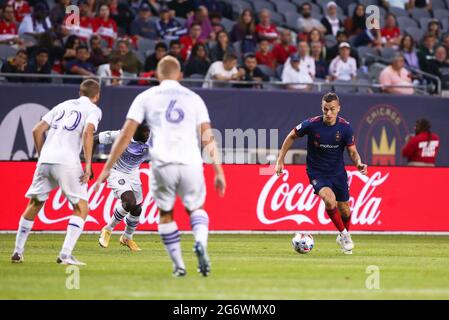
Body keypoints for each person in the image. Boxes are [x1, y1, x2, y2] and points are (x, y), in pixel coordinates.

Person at [94, 56, 226, 277]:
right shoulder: (194, 98)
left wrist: (105, 167)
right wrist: (218, 170)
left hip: (162, 164)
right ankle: (200, 242)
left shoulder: (145, 96)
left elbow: (126, 133)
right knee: (195, 209)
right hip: (191, 161)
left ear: (157, 75)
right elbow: (207, 135)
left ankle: (178, 265)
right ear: (180, 75)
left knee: (165, 214)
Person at [11, 79, 102, 265]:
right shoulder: (93, 109)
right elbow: (87, 133)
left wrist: (41, 154)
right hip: (67, 161)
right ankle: (65, 255)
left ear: (80, 92)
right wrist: (88, 164)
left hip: (45, 159)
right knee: (81, 208)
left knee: (34, 203)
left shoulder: (62, 105)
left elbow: (37, 130)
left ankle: (17, 252)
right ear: (97, 96)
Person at [275, 92, 368, 255]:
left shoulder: (345, 128)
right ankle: (345, 235)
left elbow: (352, 152)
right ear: (322, 108)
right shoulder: (311, 124)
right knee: (329, 200)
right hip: (317, 172)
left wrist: (359, 163)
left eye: (332, 109)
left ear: (338, 108)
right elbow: (291, 136)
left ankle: (343, 234)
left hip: (338, 172)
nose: (329, 113)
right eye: (325, 109)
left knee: (345, 209)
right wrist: (280, 160)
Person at [96, 123, 151, 251]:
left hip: (133, 173)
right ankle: (108, 229)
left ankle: (127, 237)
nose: (147, 135)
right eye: (144, 132)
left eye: (148, 132)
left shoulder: (152, 138)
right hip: (116, 171)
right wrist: (88, 164)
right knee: (130, 201)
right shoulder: (121, 135)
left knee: (136, 209)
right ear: (135, 131)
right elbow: (94, 138)